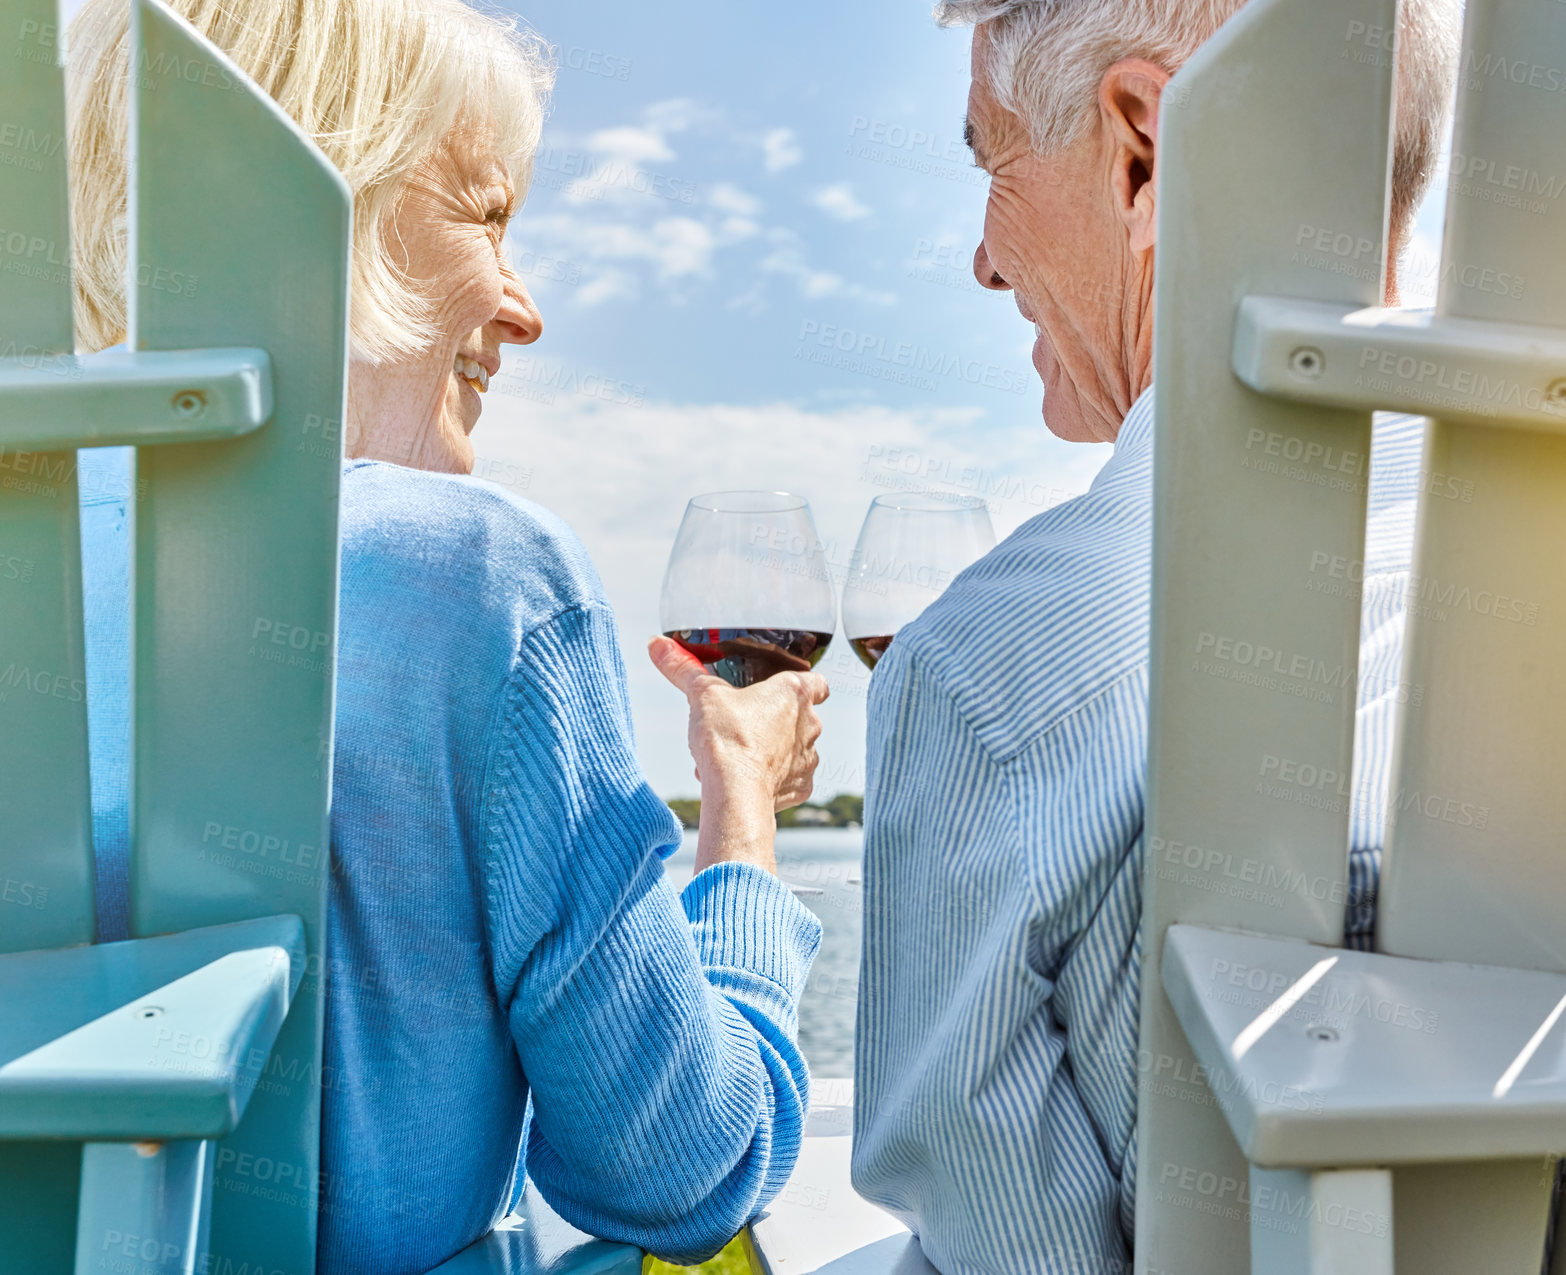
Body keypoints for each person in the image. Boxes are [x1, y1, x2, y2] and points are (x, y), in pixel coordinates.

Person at [65, 1, 826, 1270]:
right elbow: (681, 1172)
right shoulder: (482, 585)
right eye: (488, 216)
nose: (524, 312)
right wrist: (738, 812)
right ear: (325, 194)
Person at [851, 0, 1460, 1271]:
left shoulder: (992, 682)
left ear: (1140, 151)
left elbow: (1002, 1246)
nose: (981, 257)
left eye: (991, 160)